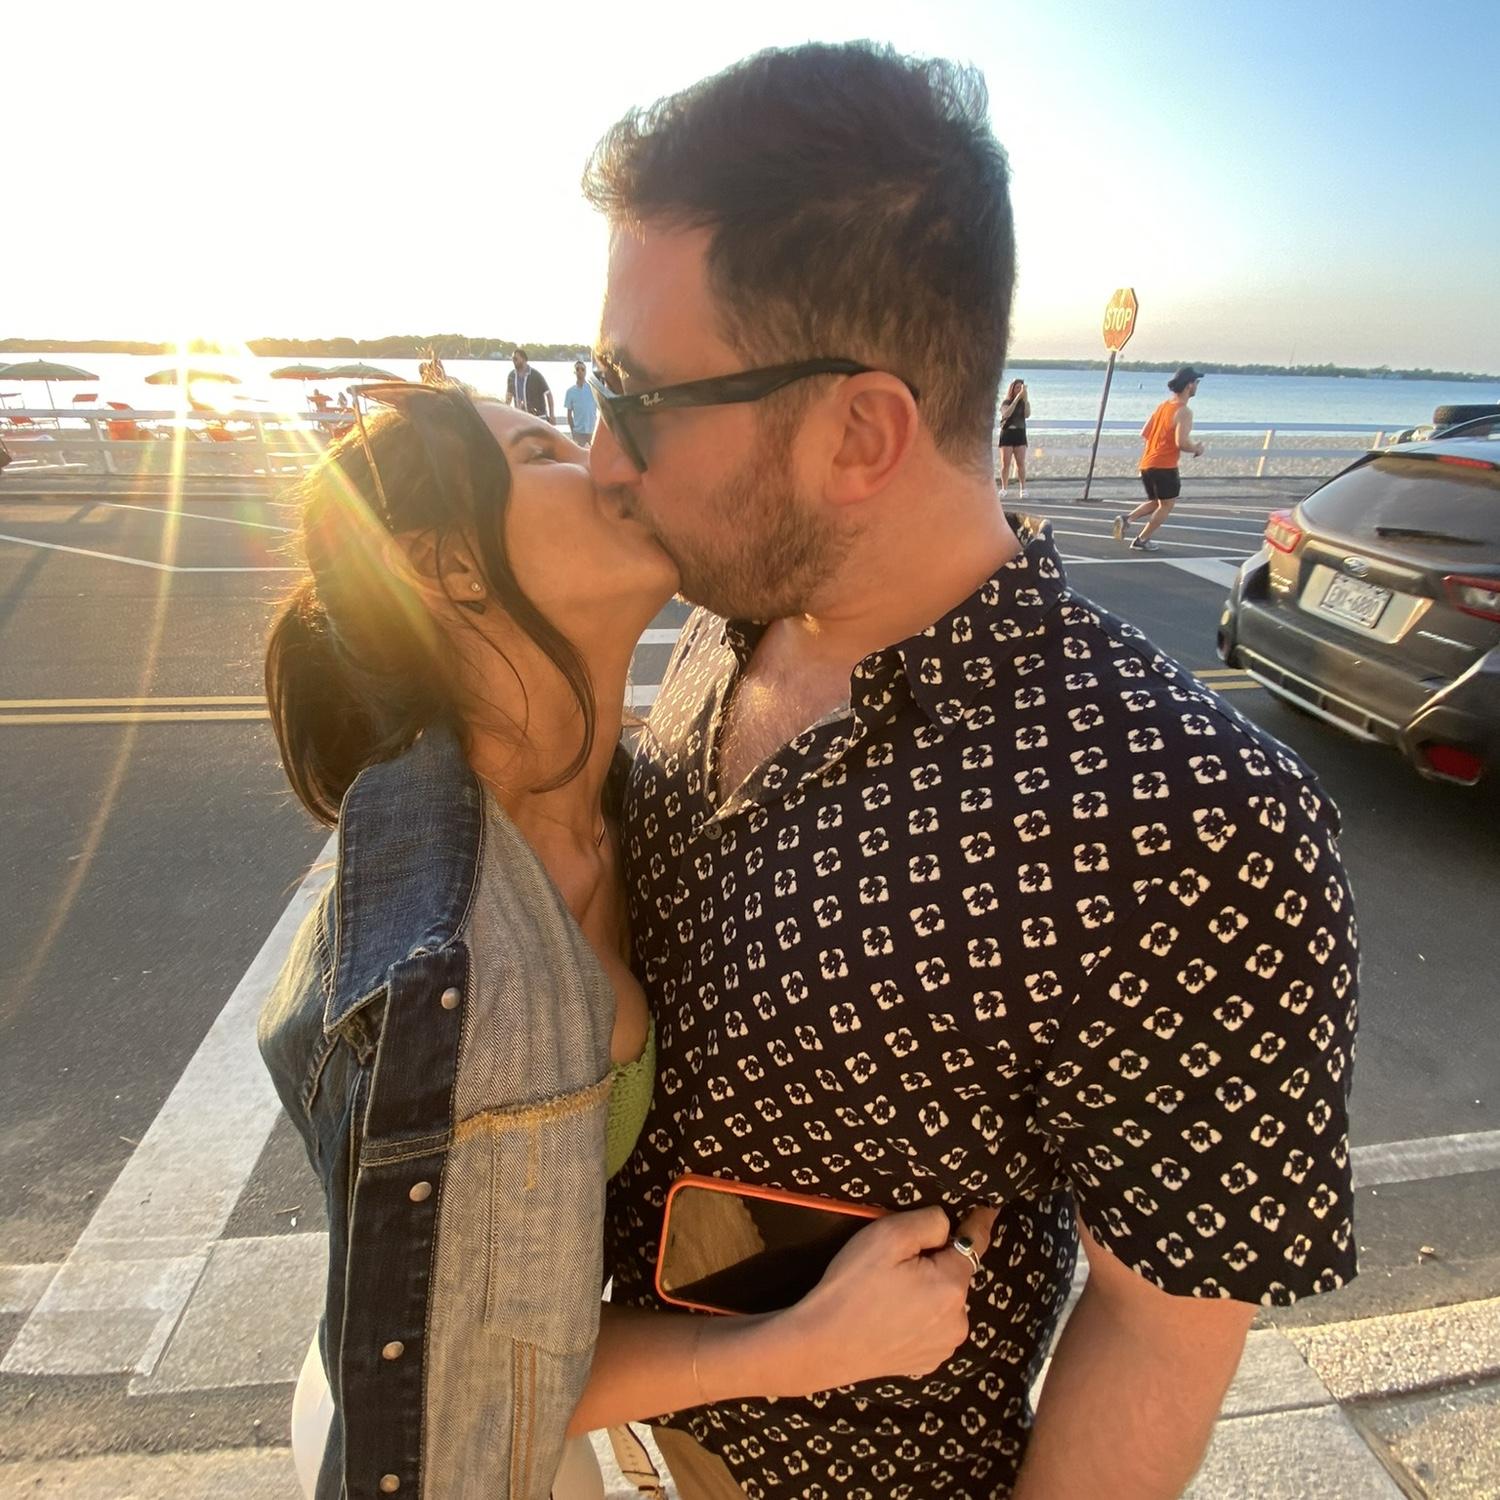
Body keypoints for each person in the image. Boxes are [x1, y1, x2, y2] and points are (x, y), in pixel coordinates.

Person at [585, 43, 1358, 1499]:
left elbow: (1160, 1329)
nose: (601, 458)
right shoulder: (727, 613)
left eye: (636, 396)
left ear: (859, 433)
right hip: (623, 1419)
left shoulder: (1187, 822)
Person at [257, 381, 995, 1499]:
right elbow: (470, 1385)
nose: (606, 460)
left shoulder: (626, 797)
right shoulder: (463, 969)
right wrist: (811, 1344)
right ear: (447, 566)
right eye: (541, 453)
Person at [1114, 366, 1206, 552]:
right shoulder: (1184, 411)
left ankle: (1127, 519)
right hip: (1165, 466)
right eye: (1196, 382)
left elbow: (1145, 432)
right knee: (1167, 505)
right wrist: (1197, 448)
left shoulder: (1163, 406)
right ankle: (1142, 539)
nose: (1197, 385)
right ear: (1189, 385)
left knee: (1157, 502)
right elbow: (1181, 442)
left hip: (1148, 463)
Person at [997, 376, 1029, 496]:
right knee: (1005, 463)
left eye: (1021, 388)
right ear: (1012, 389)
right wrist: (1016, 399)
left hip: (1020, 434)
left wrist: (1025, 399)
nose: (1019, 390)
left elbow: (1027, 414)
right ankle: (1004, 488)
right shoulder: (1006, 402)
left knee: (1020, 463)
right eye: (1017, 388)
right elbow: (1006, 414)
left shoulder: (1023, 403)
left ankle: (1023, 489)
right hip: (1007, 433)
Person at [507, 347, 555, 422]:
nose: (513, 361)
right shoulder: (512, 376)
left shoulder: (535, 375)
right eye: (512, 359)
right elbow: (509, 396)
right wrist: (506, 412)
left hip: (538, 417)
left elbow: (548, 394)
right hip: (520, 417)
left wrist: (551, 415)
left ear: (523, 359)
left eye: (515, 359)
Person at [564, 359, 599, 448]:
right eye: (577, 369)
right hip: (578, 431)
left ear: (585, 372)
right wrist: (573, 430)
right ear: (574, 372)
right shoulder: (570, 392)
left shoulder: (593, 389)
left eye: (582, 369)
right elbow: (569, 414)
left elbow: (600, 409)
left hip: (592, 430)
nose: (580, 371)